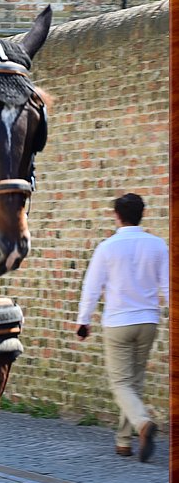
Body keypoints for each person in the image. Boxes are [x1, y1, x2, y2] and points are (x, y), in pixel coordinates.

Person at [75, 193, 168, 462]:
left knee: (120, 384)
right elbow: (168, 286)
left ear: (117, 215)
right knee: (135, 381)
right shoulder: (157, 246)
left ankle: (142, 423)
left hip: (118, 322)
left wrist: (84, 321)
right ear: (143, 214)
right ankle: (124, 442)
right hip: (148, 321)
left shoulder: (107, 248)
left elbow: (91, 288)